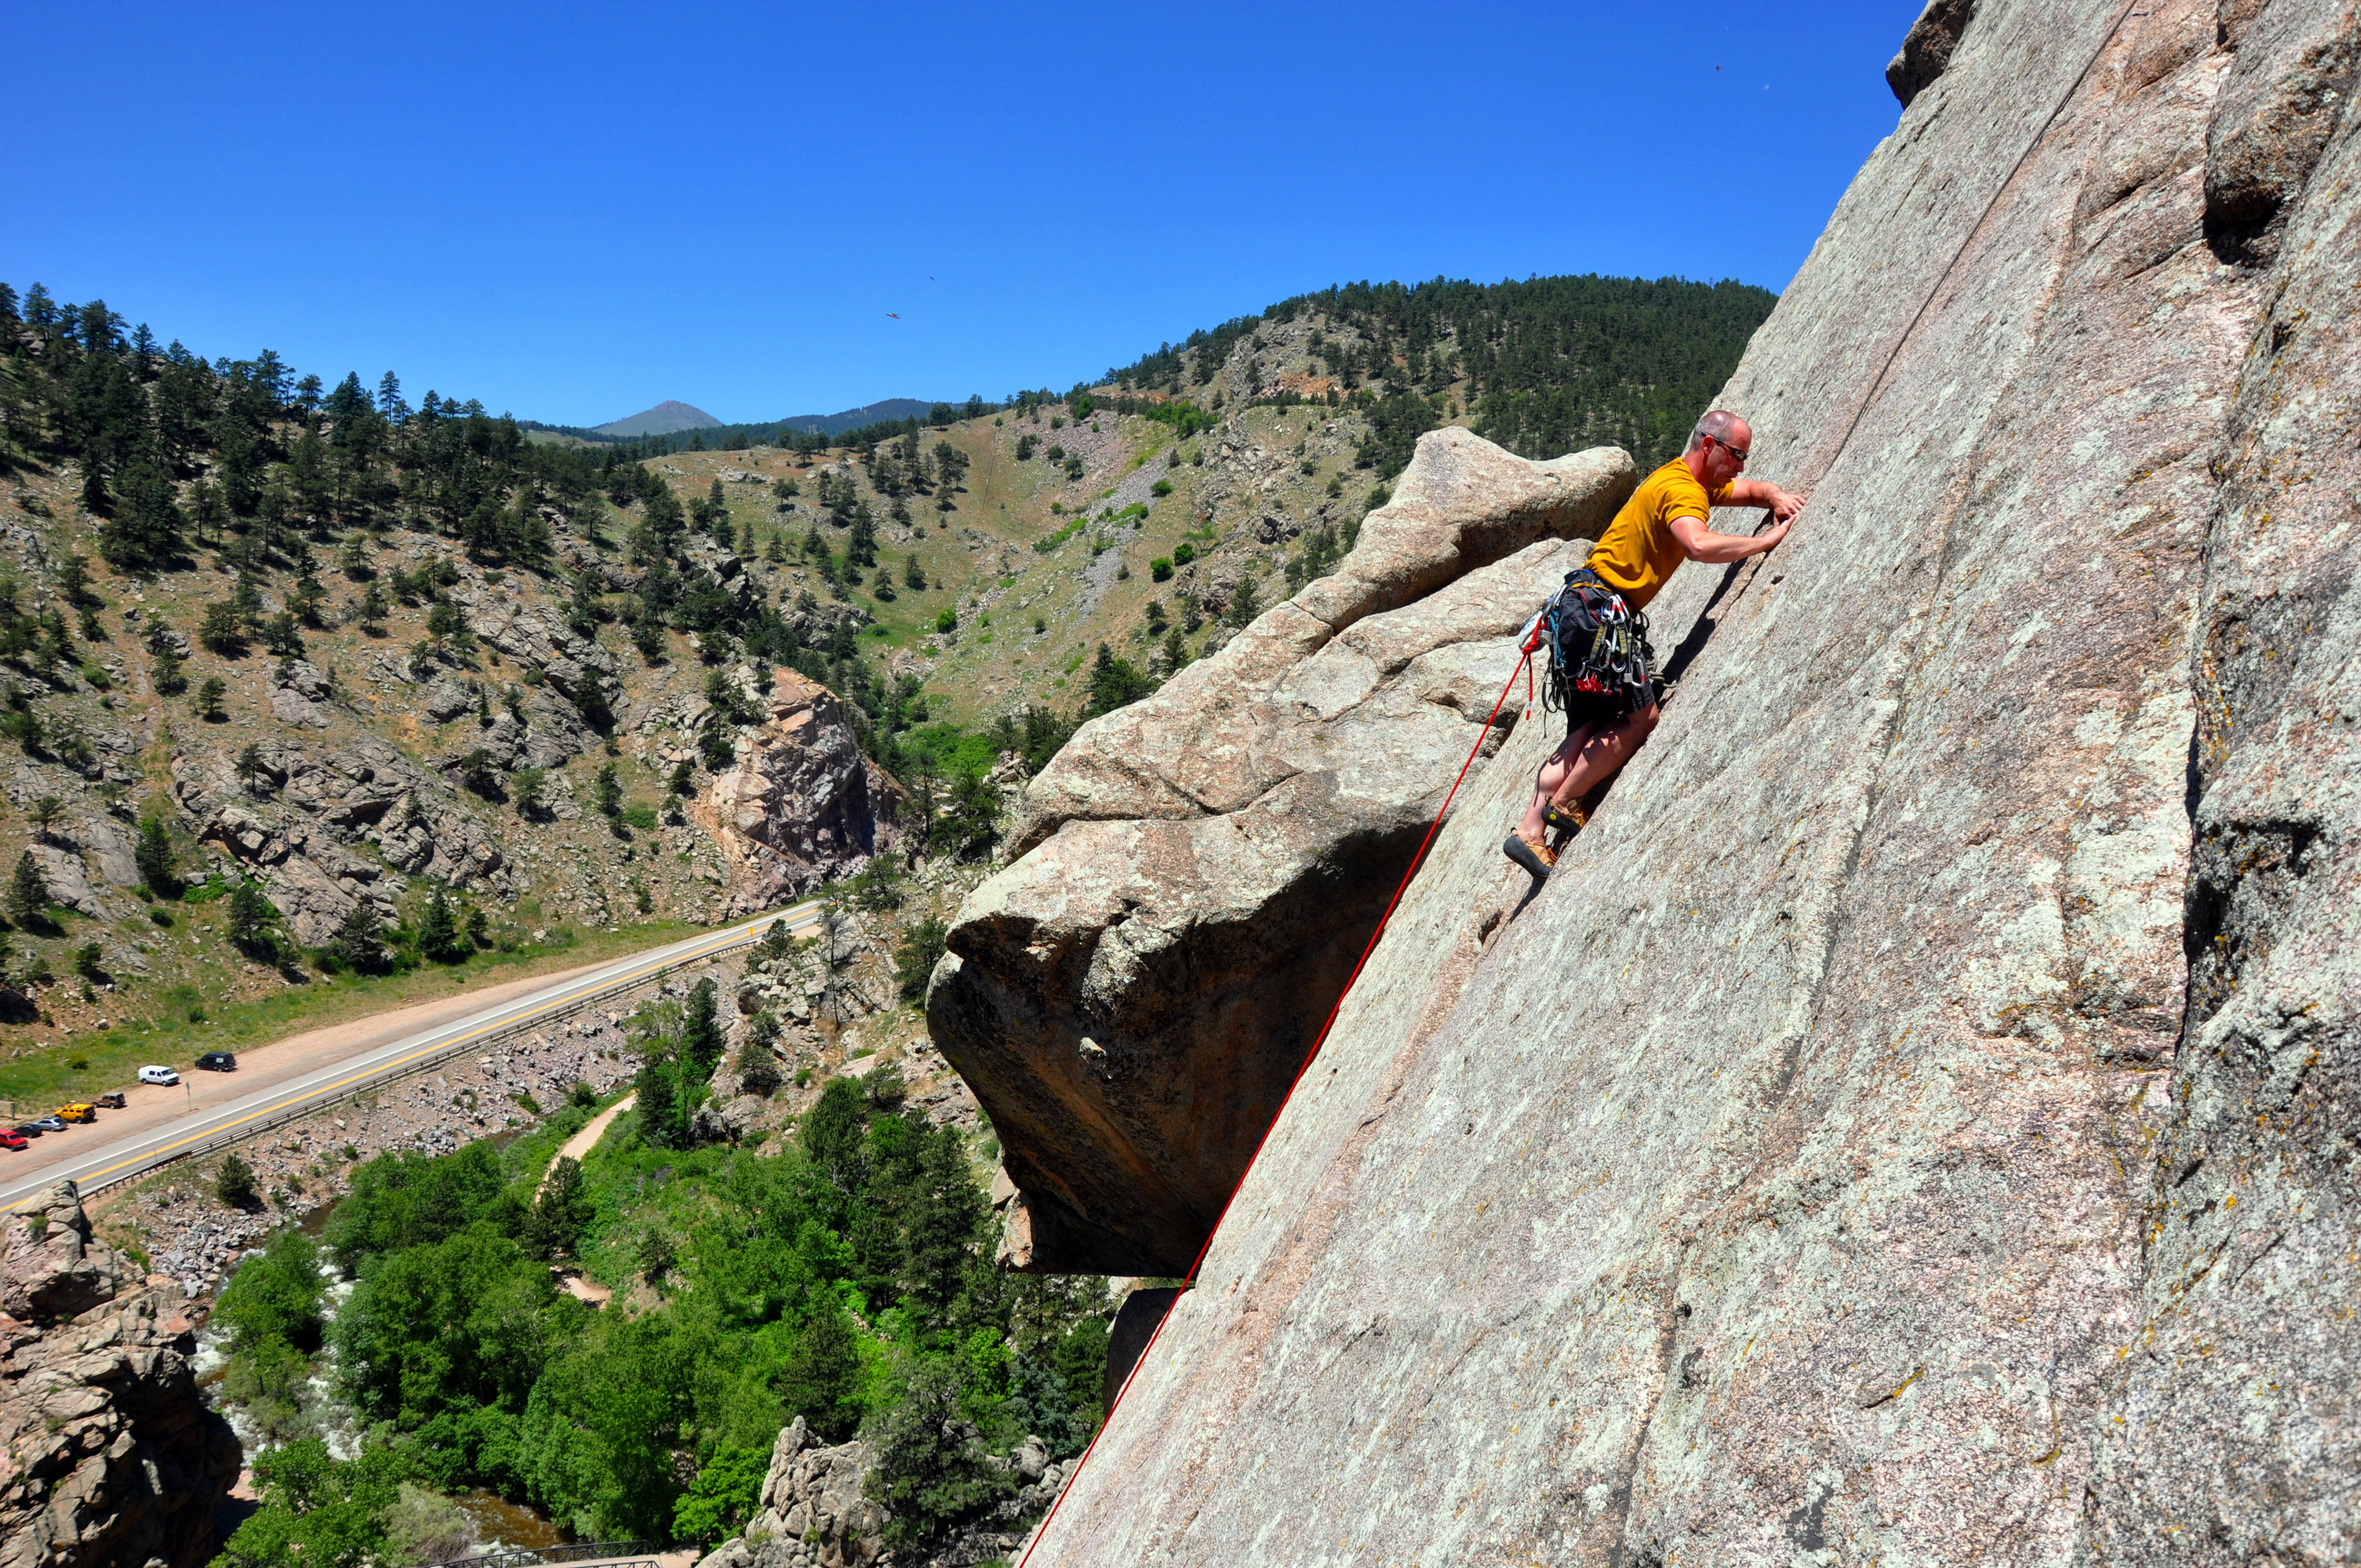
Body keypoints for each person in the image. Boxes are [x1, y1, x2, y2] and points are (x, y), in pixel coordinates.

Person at [1504, 410, 1804, 880]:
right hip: (1601, 615)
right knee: (1642, 718)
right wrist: (1764, 543)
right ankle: (1564, 804)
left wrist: (1772, 494)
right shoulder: (1682, 492)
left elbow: (1741, 491)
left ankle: (1529, 830)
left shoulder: (1684, 478)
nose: (1741, 468)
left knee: (1587, 728)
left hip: (1579, 613)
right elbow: (1698, 545)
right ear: (1709, 447)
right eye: (1737, 455)